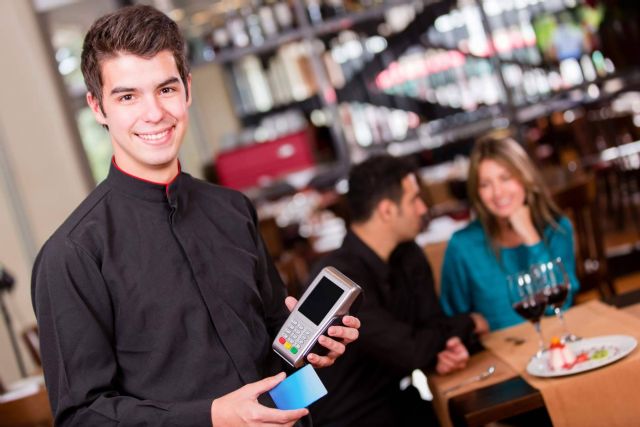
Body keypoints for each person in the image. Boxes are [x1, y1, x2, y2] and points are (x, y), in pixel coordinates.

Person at [31, 6, 360, 426]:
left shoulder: (233, 209)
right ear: (98, 108)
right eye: (128, 96)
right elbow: (81, 417)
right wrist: (210, 417)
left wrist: (315, 345)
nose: (154, 113)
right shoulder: (72, 255)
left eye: (166, 89)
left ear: (187, 89)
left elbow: (277, 343)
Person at [308, 155, 488, 427]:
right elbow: (411, 349)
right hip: (348, 418)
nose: (422, 208)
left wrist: (441, 351)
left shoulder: (409, 255)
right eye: (414, 199)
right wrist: (469, 323)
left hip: (401, 403)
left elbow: (431, 326)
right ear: (387, 210)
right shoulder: (338, 276)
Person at [440, 134, 580, 331]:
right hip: (500, 354)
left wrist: (532, 239)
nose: (497, 193)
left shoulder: (557, 228)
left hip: (556, 344)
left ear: (525, 177)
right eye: (485, 184)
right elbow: (451, 321)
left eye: (505, 178)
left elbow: (559, 307)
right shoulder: (462, 246)